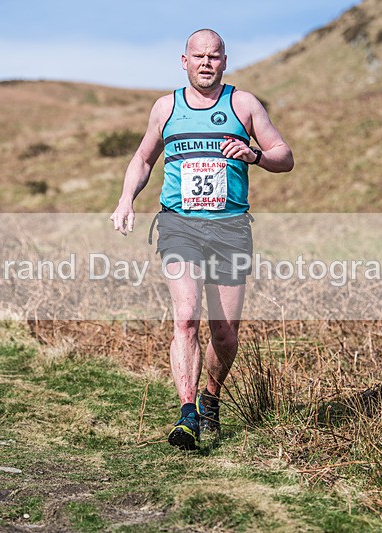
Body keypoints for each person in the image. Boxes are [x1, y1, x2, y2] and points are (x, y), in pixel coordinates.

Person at [110, 29, 293, 450]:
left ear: (224, 61)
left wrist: (256, 156)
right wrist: (126, 199)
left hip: (230, 228)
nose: (206, 63)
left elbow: (286, 155)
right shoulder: (166, 107)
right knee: (186, 316)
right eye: (199, 56)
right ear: (184, 60)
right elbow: (143, 158)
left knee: (225, 333)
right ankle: (187, 412)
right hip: (180, 226)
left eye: (214, 56)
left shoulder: (243, 105)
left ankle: (211, 397)